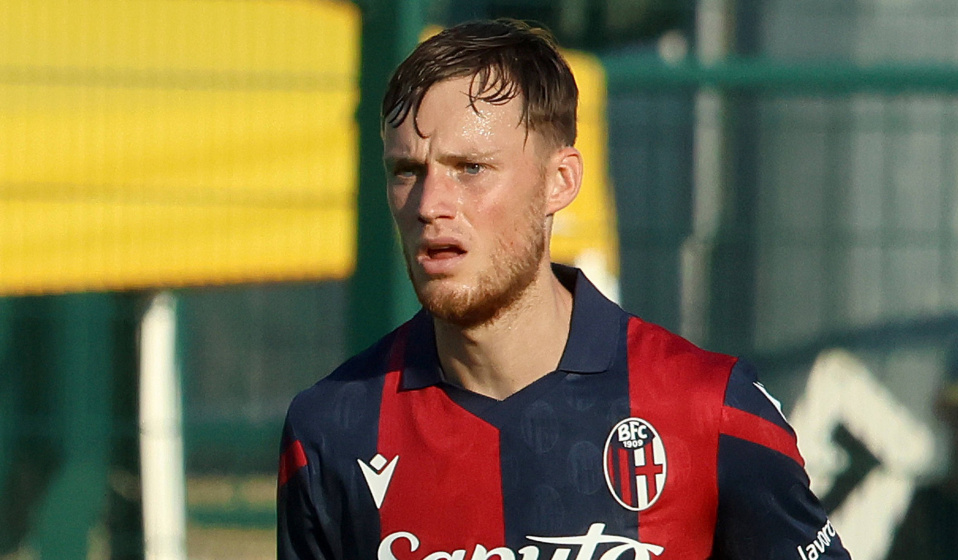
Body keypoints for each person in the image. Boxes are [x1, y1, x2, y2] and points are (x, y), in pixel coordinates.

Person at [278, 19, 850, 560]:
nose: (430, 206)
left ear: (561, 181)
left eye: (471, 169)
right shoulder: (332, 431)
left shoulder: (708, 409)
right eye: (406, 171)